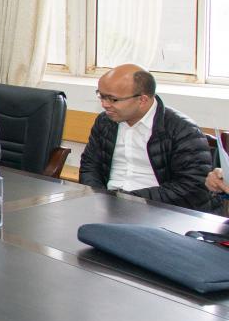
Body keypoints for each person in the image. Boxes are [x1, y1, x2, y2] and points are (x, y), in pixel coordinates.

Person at [79, 64, 212, 211]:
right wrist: (98, 198)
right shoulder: (105, 122)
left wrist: (127, 200)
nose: (104, 104)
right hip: (108, 204)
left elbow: (190, 186)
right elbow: (89, 165)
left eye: (113, 99)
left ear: (142, 100)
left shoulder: (182, 130)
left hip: (159, 208)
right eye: (101, 96)